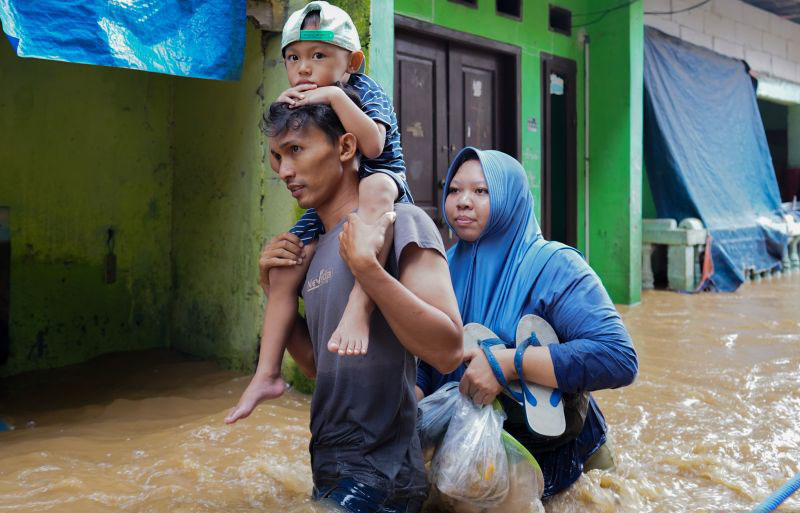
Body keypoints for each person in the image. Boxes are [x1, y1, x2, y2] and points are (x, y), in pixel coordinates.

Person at [227, 99, 464, 513]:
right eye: (278, 156)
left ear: (346, 147)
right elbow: (319, 365)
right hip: (329, 464)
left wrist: (367, 270)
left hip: (383, 474)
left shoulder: (402, 222)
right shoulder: (312, 250)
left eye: (296, 150)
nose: (284, 171)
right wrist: (274, 290)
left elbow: (448, 350)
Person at [416, 147, 638, 498]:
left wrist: (509, 364)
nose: (462, 201)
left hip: (564, 458)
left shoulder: (556, 267)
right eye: (454, 190)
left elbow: (618, 357)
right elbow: (430, 358)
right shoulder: (439, 268)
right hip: (476, 461)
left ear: (511, 198)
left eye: (481, 191)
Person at [266, 0, 411, 365]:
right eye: (293, 58)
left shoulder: (364, 89)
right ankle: (266, 373)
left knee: (375, 187)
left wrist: (333, 96)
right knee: (285, 260)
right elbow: (278, 159)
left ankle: (359, 305)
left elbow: (373, 146)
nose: (304, 68)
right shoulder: (299, 101)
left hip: (382, 178)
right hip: (334, 201)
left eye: (318, 55)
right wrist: (280, 117)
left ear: (352, 63)